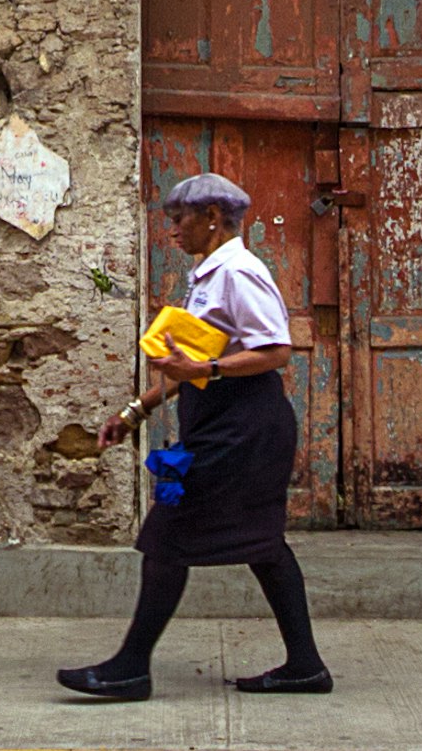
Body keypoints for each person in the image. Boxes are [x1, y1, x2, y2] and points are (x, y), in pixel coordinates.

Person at [56, 175, 331, 702]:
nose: (172, 229)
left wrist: (206, 366)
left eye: (179, 218)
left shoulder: (239, 272)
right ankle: (306, 666)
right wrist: (135, 411)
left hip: (244, 429)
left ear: (211, 214)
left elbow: (276, 350)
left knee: (168, 533)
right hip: (225, 424)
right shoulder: (207, 276)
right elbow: (190, 367)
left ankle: (130, 668)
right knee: (263, 544)